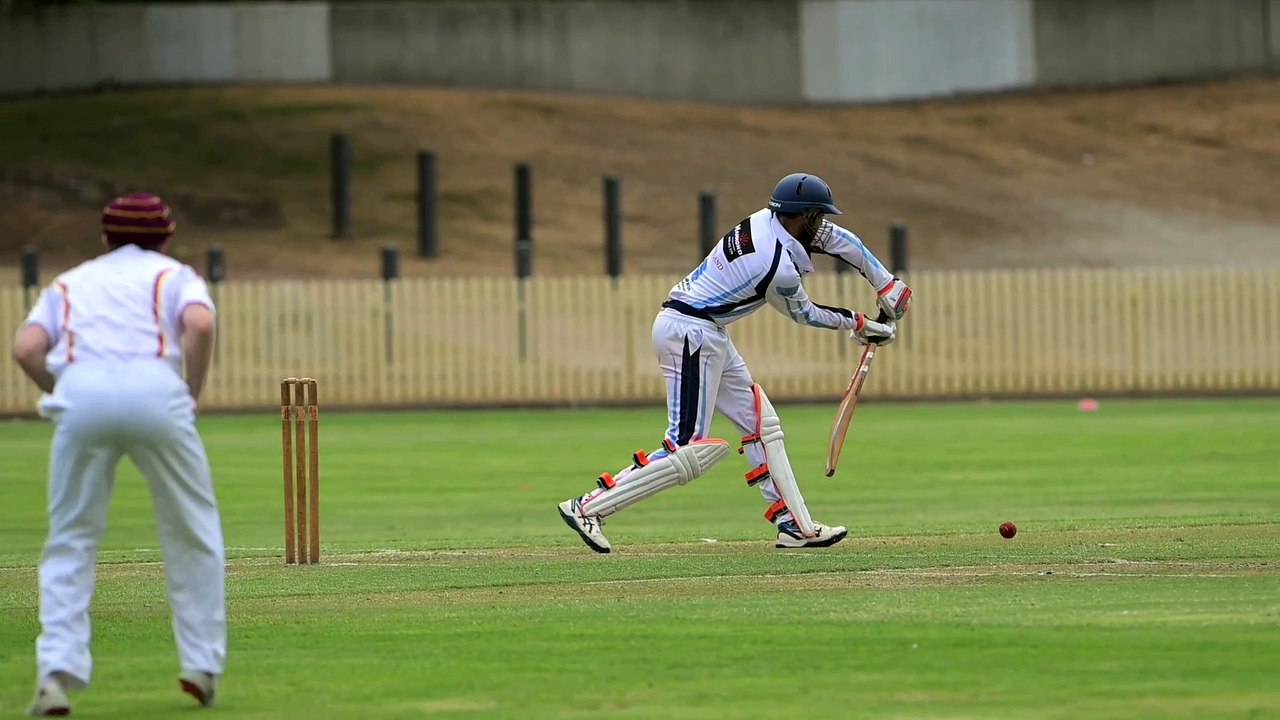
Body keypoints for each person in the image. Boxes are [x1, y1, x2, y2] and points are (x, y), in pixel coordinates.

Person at [558, 173, 911, 553]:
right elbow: (804, 313)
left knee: (761, 422)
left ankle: (795, 526)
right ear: (802, 216)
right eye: (817, 217)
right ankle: (588, 507)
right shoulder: (775, 264)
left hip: (705, 329)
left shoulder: (769, 219)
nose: (822, 225)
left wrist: (886, 284)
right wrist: (861, 324)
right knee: (688, 448)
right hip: (691, 334)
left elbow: (841, 240)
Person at [12, 193, 226, 716]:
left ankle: (55, 675)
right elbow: (198, 325)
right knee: (191, 530)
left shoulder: (72, 281)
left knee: (72, 538)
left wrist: (61, 389)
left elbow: (26, 349)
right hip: (157, 391)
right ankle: (200, 665)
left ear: (105, 237)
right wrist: (190, 391)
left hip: (81, 393)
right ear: (167, 236)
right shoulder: (175, 275)